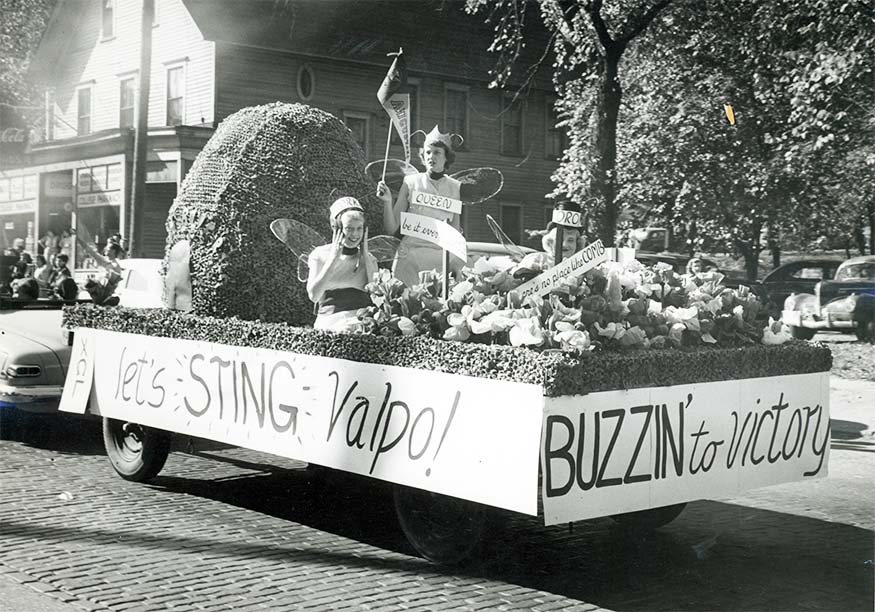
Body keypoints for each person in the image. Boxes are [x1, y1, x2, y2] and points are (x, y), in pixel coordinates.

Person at [378, 125, 464, 287]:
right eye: (428, 152)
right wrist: (388, 202)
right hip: (411, 253)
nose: (431, 156)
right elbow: (391, 228)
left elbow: (454, 230)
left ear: (447, 157)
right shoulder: (411, 182)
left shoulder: (454, 187)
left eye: (437, 152)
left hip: (440, 255)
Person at [306, 196, 378, 331]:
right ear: (337, 228)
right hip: (330, 322)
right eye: (349, 228)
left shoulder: (370, 259)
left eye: (359, 228)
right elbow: (314, 295)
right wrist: (333, 258)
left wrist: (365, 254)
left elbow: (376, 294)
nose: (355, 234)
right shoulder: (319, 255)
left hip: (362, 321)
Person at [515, 201, 585, 274]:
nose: (565, 245)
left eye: (570, 240)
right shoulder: (537, 259)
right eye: (559, 239)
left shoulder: (583, 265)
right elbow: (513, 281)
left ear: (577, 244)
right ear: (550, 242)